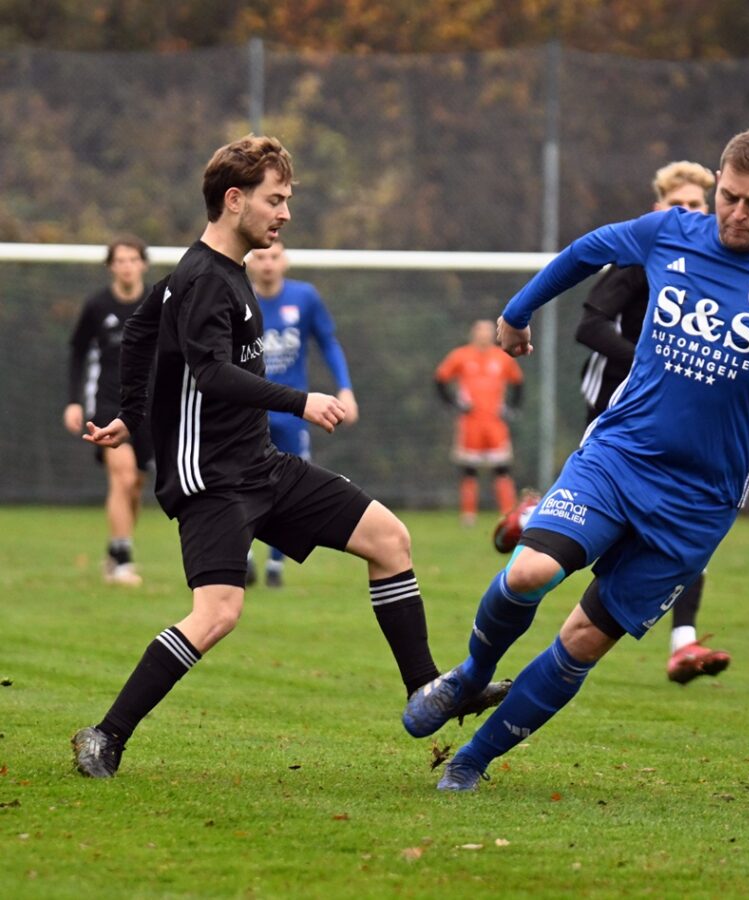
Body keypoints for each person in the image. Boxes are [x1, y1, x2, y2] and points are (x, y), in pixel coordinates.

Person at [402, 130, 749, 792]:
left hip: (700, 502)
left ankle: (470, 762)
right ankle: (470, 677)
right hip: (619, 456)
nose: (737, 213)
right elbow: (585, 251)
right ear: (717, 184)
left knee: (582, 641)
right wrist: (516, 313)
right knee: (529, 571)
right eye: (729, 197)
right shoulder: (670, 232)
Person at [71, 135, 507, 778]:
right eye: (275, 200)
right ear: (234, 199)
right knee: (218, 613)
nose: (285, 213)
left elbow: (139, 330)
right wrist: (299, 401)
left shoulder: (217, 270)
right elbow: (211, 373)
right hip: (211, 478)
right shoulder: (203, 279)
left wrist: (129, 415)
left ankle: (424, 689)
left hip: (260, 464)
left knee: (389, 539)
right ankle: (104, 736)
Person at [575, 161, 729, 684]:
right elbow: (589, 326)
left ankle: (684, 644)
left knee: (685, 520)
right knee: (593, 525)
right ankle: (535, 520)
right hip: (612, 401)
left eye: (696, 206)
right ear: (657, 209)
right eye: (676, 205)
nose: (686, 214)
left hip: (670, 411)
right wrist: (646, 361)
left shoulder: (718, 269)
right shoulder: (640, 256)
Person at [245, 239, 359, 588]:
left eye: (274, 256)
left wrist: (345, 388)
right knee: (242, 482)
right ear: (249, 262)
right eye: (260, 256)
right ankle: (242, 555)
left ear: (285, 261)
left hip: (295, 411)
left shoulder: (305, 297)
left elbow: (328, 342)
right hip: (248, 410)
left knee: (290, 487)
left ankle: (276, 563)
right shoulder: (237, 299)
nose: (268, 263)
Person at [63, 236, 154, 587]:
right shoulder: (97, 306)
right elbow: (77, 352)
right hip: (106, 403)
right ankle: (123, 563)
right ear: (111, 266)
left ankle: (115, 550)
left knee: (135, 485)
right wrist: (73, 401)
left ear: (143, 264)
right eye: (120, 260)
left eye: (133, 259)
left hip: (146, 406)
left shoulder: (157, 303)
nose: (126, 266)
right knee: (123, 475)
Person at [435, 319, 524, 525]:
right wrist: (453, 403)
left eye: (488, 331)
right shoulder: (461, 355)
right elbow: (440, 379)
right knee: (469, 470)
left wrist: (512, 408)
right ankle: (469, 515)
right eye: (480, 331)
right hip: (470, 422)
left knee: (502, 468)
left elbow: (518, 382)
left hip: (495, 423)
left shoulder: (502, 357)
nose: (484, 335)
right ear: (473, 333)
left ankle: (508, 514)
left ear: (494, 334)